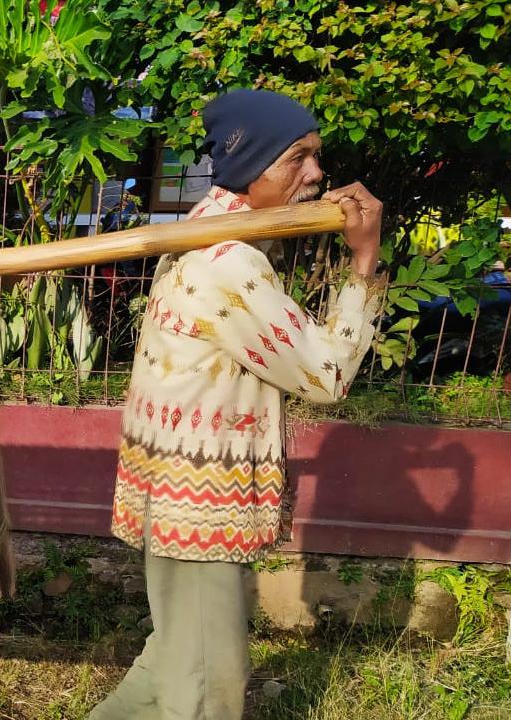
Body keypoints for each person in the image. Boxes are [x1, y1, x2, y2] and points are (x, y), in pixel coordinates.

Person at [88, 89, 386, 719]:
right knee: (208, 686)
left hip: (179, 490)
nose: (317, 174)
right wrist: (363, 262)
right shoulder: (229, 263)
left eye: (316, 157)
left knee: (172, 660)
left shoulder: (212, 224)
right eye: (299, 158)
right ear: (251, 164)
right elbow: (326, 376)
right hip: (197, 506)